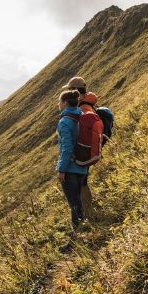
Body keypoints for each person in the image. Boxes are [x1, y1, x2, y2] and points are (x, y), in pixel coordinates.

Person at [62, 76, 97, 220]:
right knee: (83, 183)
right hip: (87, 151)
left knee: (82, 185)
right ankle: (88, 212)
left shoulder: (82, 107)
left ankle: (87, 214)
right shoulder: (87, 105)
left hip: (81, 153)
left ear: (73, 90)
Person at [56, 89, 88, 229]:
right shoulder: (82, 115)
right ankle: (83, 229)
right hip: (82, 166)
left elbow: (67, 148)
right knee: (78, 202)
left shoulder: (64, 121)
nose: (58, 104)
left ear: (65, 103)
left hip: (70, 169)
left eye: (60, 101)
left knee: (74, 204)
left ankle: (77, 236)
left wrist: (61, 169)